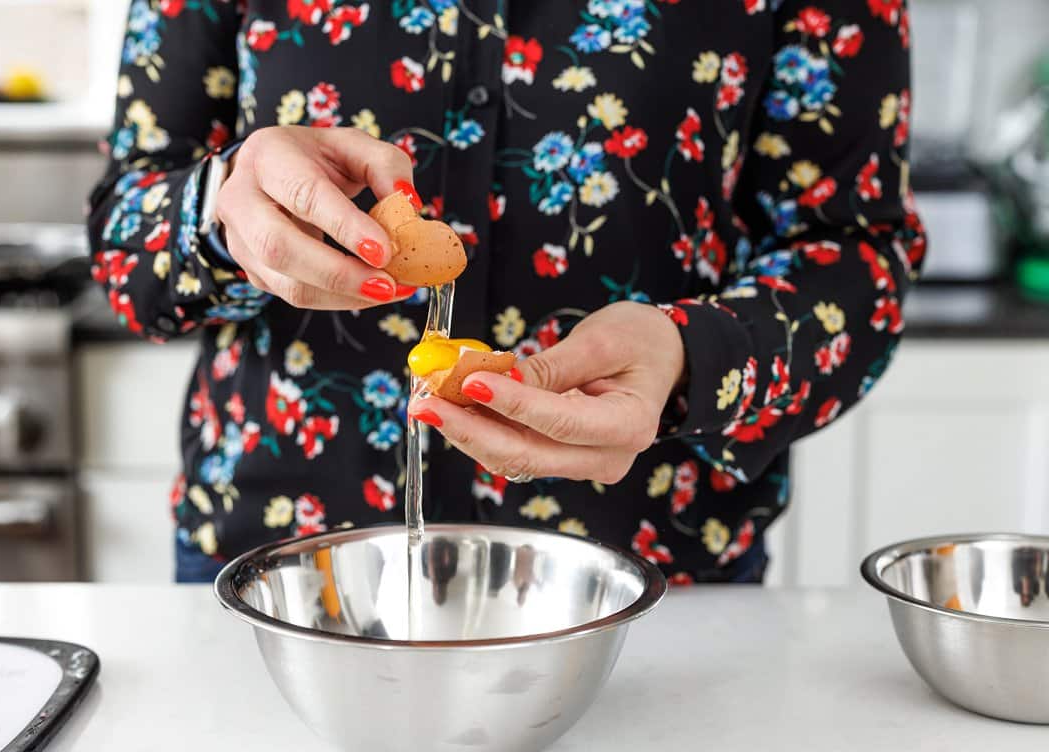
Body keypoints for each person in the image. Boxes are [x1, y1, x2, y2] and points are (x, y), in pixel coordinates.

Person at [88, 0, 926, 583]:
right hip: (279, 574)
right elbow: (126, 236)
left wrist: (689, 361)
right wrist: (223, 209)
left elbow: (856, 252)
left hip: (648, 587)